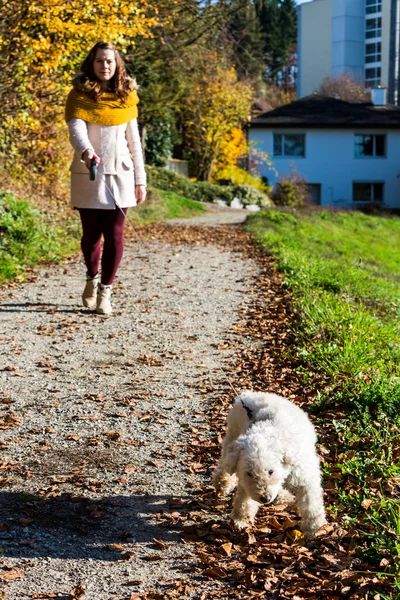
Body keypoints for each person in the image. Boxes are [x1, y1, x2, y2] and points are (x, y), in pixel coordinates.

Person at [65, 41, 146, 316]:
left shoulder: (127, 96)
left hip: (121, 175)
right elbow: (76, 130)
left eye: (109, 61)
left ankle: (105, 292)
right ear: (92, 63)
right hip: (90, 175)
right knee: (91, 236)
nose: (105, 65)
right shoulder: (79, 94)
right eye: (100, 61)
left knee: (115, 235)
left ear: (117, 64)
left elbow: (134, 141)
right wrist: (86, 151)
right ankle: (91, 276)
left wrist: (140, 180)